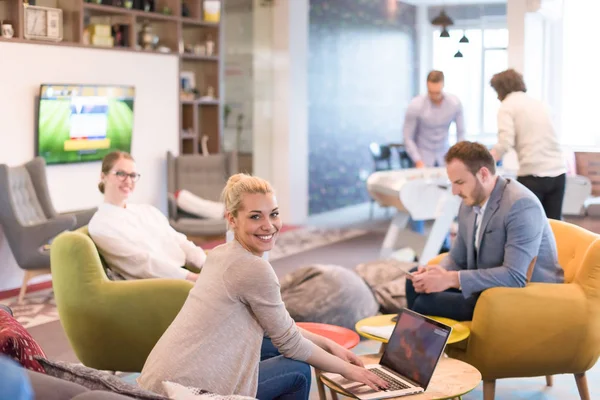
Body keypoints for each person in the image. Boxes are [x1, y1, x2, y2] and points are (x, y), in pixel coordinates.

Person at [138, 174, 388, 399]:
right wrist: (350, 372)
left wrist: (328, 345)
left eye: (274, 214)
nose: (269, 225)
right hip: (183, 392)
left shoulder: (219, 254)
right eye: (255, 216)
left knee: (267, 345)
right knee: (298, 370)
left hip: (156, 381)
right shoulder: (253, 268)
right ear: (232, 219)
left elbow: (279, 329)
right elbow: (291, 343)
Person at [405, 141, 564, 321]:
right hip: (488, 288)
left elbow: (515, 276)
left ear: (483, 174)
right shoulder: (469, 202)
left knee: (425, 304)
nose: (455, 191)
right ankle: (421, 346)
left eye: (459, 182)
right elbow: (458, 258)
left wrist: (450, 279)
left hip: (522, 295)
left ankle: (415, 345)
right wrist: (435, 274)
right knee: (413, 284)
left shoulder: (521, 205)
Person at [88, 151, 205, 282]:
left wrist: (206, 265)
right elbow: (142, 263)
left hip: (185, 273)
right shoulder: (101, 225)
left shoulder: (147, 210)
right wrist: (191, 278)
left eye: (132, 175)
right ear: (103, 176)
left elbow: (179, 240)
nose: (128, 181)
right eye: (121, 174)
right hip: (163, 285)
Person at [489, 68, 567, 220]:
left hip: (533, 175)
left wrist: (486, 161)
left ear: (500, 89)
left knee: (527, 225)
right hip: (558, 172)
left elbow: (505, 141)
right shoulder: (540, 104)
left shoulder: (507, 106)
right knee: (554, 228)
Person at [403, 70, 465, 169]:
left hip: (445, 156)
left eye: (437, 92)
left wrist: (457, 157)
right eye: (431, 92)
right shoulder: (415, 105)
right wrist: (417, 160)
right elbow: (408, 137)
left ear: (443, 85)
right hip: (422, 156)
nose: (434, 96)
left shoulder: (454, 104)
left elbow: (461, 133)